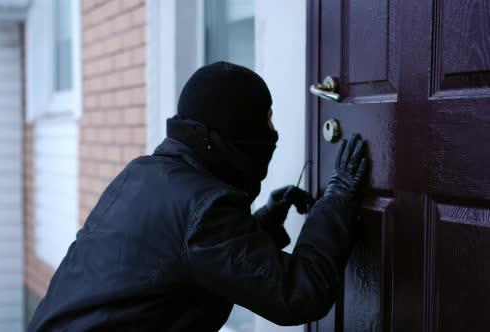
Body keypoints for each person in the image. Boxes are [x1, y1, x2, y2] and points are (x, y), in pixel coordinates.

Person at [28, 61, 368, 331]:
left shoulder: (144, 173)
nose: (273, 133)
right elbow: (300, 294)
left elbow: (194, 255)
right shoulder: (204, 205)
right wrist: (337, 198)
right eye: (266, 120)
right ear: (238, 129)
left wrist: (262, 221)